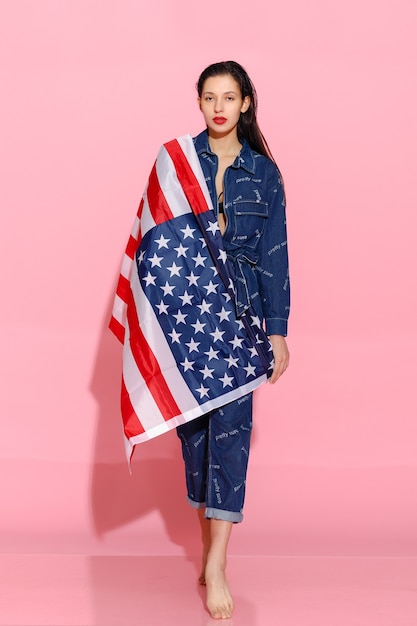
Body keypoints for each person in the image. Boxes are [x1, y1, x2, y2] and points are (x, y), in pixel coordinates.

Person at [175, 61, 290, 619]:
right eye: (209, 97)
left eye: (229, 97)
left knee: (231, 439)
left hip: (242, 321)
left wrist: (279, 332)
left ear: (245, 103)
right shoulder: (175, 163)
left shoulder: (265, 174)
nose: (218, 107)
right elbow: (152, 241)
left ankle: (219, 560)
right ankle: (206, 544)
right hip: (189, 321)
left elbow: (275, 256)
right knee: (195, 441)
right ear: (199, 103)